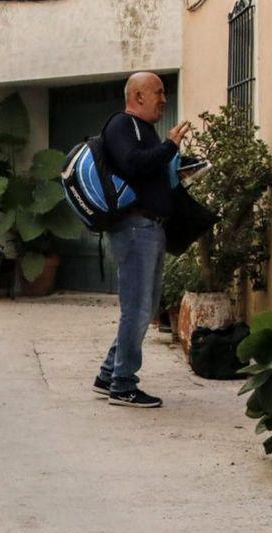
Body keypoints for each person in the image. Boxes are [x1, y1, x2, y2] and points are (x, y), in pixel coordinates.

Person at [92, 72, 191, 409]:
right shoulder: (122, 125)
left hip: (149, 229)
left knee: (144, 308)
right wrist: (169, 146)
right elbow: (133, 164)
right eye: (159, 92)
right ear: (137, 96)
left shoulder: (143, 129)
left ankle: (109, 374)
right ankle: (123, 384)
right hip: (135, 230)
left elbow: (150, 172)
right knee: (136, 311)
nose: (164, 99)